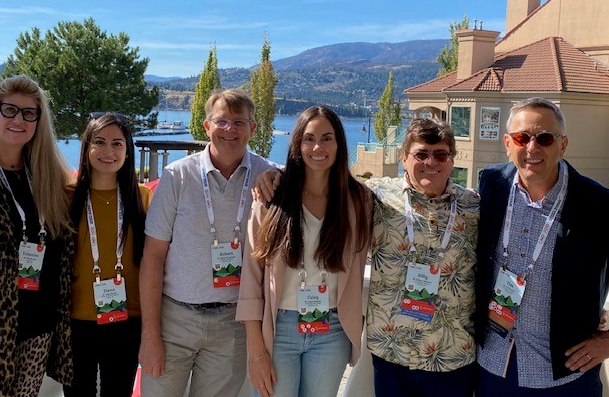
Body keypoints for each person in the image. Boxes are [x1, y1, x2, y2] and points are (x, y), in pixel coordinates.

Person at [139, 88, 277, 397]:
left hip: (232, 324)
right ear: (206, 127)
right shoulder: (178, 176)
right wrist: (150, 335)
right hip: (174, 320)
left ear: (253, 128)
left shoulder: (269, 175)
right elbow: (153, 257)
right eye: (222, 121)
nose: (230, 130)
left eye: (240, 122)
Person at [475, 97, 609, 396]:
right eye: (523, 138)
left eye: (545, 138)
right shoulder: (491, 184)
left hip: (566, 375)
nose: (532, 149)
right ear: (508, 144)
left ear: (563, 145)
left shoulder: (598, 204)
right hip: (493, 366)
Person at [236, 106, 372, 397]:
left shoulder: (359, 201)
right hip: (279, 329)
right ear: (297, 145)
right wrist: (256, 350)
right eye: (309, 139)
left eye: (327, 138)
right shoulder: (272, 199)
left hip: (332, 330)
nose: (318, 147)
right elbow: (250, 277)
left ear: (339, 144)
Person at [0, 74, 74, 396]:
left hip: (37, 333)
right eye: (9, 110)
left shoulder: (47, 176)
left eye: (30, 113)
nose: (19, 119)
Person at [364, 117, 479, 397]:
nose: (431, 162)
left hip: (452, 356)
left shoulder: (475, 205)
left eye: (441, 154)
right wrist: (272, 175)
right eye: (421, 154)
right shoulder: (374, 195)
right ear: (404, 158)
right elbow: (320, 185)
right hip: (391, 351)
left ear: (452, 160)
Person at [63, 112, 151, 397]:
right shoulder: (65, 196)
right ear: (86, 146)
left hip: (127, 320)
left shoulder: (143, 198)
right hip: (75, 322)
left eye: (117, 144)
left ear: (128, 151)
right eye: (99, 142)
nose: (108, 152)